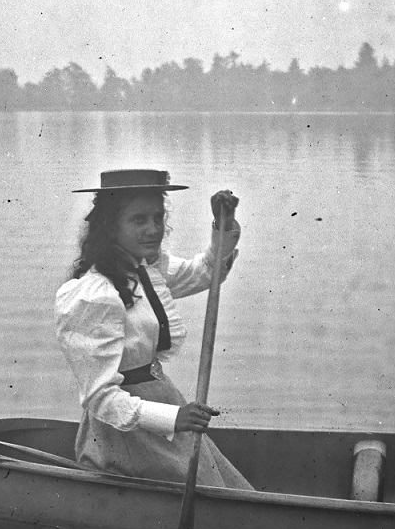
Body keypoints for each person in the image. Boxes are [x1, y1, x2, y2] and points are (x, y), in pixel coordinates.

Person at [54, 168, 253, 488]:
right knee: (201, 489)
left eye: (158, 218)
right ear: (111, 226)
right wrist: (173, 419)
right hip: (124, 431)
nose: (153, 229)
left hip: (164, 403)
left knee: (216, 485)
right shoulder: (93, 296)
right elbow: (101, 398)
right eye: (139, 220)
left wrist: (222, 225)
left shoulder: (146, 267)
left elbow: (205, 273)